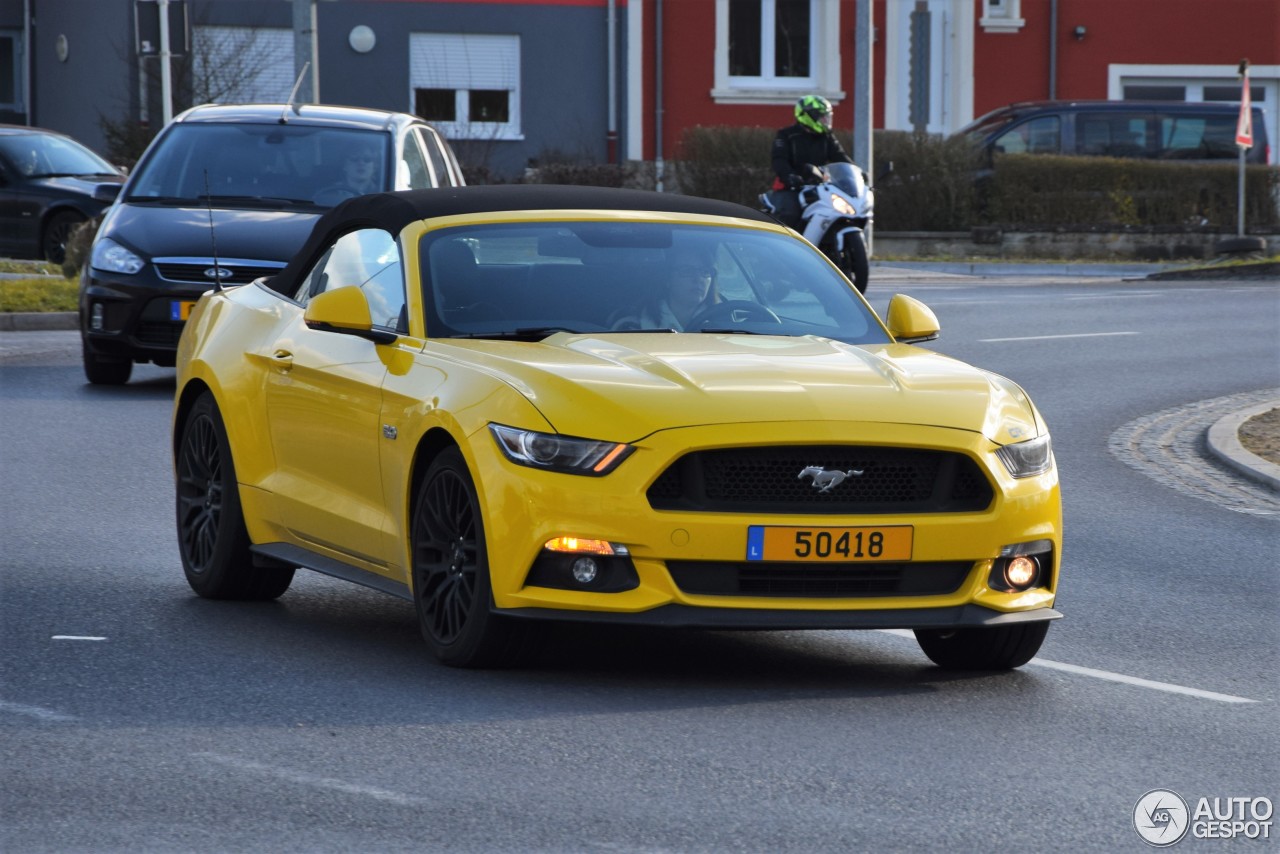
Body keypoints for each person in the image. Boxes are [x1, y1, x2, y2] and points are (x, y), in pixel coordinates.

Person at [769, 95, 853, 230]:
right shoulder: (786, 135)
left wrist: (855, 174)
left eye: (827, 116)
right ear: (807, 116)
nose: (825, 120)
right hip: (791, 188)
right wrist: (790, 177)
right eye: (821, 116)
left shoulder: (826, 136)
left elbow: (840, 156)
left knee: (839, 212)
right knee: (790, 215)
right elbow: (779, 160)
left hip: (820, 186)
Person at [612, 246, 718, 331]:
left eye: (705, 271)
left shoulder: (723, 323)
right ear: (667, 279)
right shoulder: (631, 326)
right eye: (687, 271)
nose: (698, 278)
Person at [315, 140, 381, 204]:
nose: (361, 163)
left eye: (367, 159)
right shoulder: (330, 193)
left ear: (375, 166)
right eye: (354, 158)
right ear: (344, 165)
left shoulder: (382, 193)